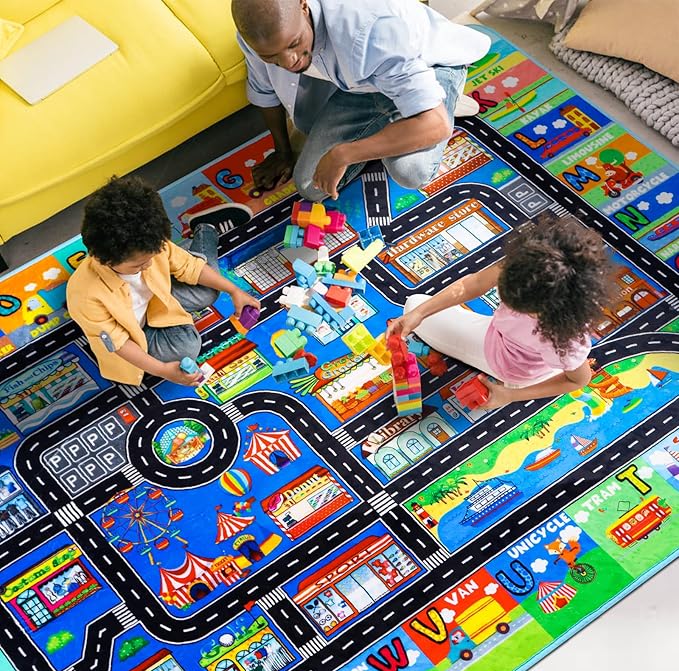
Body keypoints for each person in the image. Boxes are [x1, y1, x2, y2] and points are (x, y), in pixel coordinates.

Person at [231, 0, 491, 201]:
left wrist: (344, 154)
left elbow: (436, 125)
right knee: (310, 186)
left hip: (429, 64)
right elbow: (264, 90)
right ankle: (399, 120)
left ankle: (440, 96)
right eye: (272, 56)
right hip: (361, 86)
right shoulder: (259, 38)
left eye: (294, 43)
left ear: (303, 5)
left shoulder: (370, 31)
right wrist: (283, 152)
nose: (288, 62)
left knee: (410, 171)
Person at [386, 215, 614, 409]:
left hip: (507, 361)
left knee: (414, 304)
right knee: (415, 306)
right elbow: (474, 283)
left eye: (520, 307)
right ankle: (540, 370)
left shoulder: (564, 341)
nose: (505, 301)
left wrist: (510, 396)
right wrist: (420, 314)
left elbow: (578, 380)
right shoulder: (530, 264)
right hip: (503, 334)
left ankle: (530, 378)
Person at [67, 176, 260, 387]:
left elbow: (190, 267)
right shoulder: (85, 295)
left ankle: (206, 228)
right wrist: (162, 370)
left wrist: (234, 290)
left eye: (152, 257)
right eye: (139, 265)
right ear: (105, 259)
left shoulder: (151, 243)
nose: (149, 265)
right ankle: (207, 230)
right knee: (185, 351)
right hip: (136, 334)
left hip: (159, 298)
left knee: (211, 287)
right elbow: (120, 343)